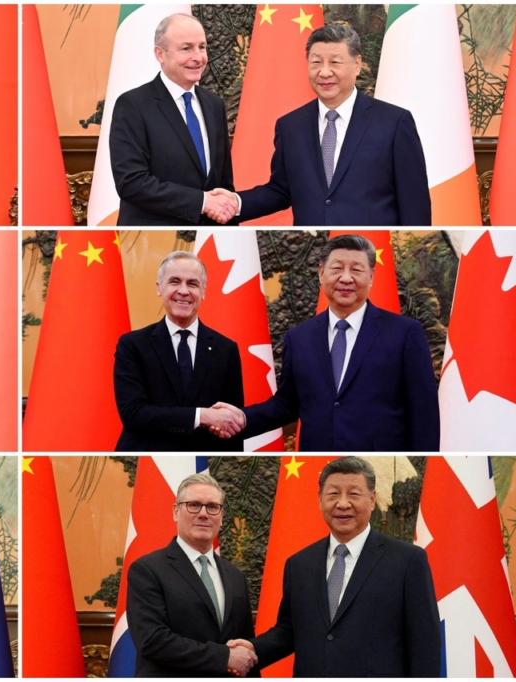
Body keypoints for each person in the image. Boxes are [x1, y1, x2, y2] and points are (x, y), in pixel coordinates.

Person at [214, 234, 439, 450]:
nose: (346, 278)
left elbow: (424, 413)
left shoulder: (405, 332)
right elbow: (286, 404)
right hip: (318, 460)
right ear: (321, 273)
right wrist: (241, 418)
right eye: (337, 268)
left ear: (371, 276)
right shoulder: (299, 338)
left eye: (357, 270)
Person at [228, 457, 440, 677]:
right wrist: (254, 649)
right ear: (320, 500)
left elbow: (424, 643)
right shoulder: (299, 564)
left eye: (354, 494)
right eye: (333, 494)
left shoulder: (407, 560)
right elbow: (289, 630)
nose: (343, 503)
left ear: (372, 499)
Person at [208, 25, 431, 226]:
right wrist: (236, 202)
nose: (324, 72)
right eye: (316, 62)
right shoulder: (290, 126)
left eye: (334, 62)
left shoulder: (394, 122)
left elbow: (414, 203)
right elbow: (281, 191)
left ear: (357, 64)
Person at [110, 13, 237, 226]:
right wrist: (201, 202)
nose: (198, 57)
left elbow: (223, 183)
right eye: (186, 48)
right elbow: (131, 182)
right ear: (160, 54)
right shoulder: (133, 105)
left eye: (202, 47)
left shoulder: (215, 105)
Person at [127, 473, 258, 677]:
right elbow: (152, 641)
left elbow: (245, 646)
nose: (204, 514)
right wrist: (223, 657)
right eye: (194, 505)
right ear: (176, 511)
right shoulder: (147, 570)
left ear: (221, 516)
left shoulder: (235, 576)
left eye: (213, 507)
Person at [114, 252, 245, 451]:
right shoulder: (133, 345)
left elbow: (230, 421)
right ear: (160, 288)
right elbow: (133, 413)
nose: (183, 291)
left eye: (192, 284)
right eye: (175, 281)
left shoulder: (226, 349)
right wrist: (202, 416)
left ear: (203, 291)